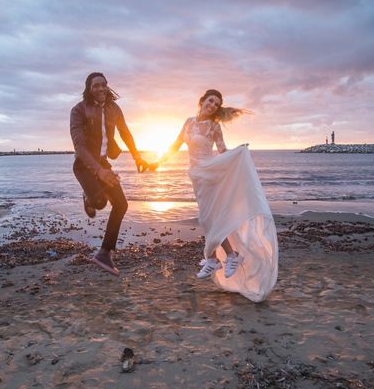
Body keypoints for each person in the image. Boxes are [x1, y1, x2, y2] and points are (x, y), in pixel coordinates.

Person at [153, 89, 278, 302]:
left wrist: (238, 153)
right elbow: (175, 146)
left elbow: (222, 150)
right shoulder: (188, 122)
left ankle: (214, 258)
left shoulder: (214, 127)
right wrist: (157, 162)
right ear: (202, 101)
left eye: (216, 104)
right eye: (210, 101)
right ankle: (227, 256)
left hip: (210, 175)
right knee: (209, 219)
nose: (212, 106)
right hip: (197, 177)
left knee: (207, 219)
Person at [70, 72, 149, 276]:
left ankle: (104, 253)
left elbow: (125, 132)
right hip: (84, 165)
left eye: (103, 85)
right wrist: (99, 171)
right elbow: (79, 146)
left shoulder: (114, 108)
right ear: (89, 89)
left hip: (103, 163)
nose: (101, 88)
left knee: (121, 204)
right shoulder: (78, 110)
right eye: (95, 85)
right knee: (99, 203)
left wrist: (137, 156)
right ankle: (89, 197)